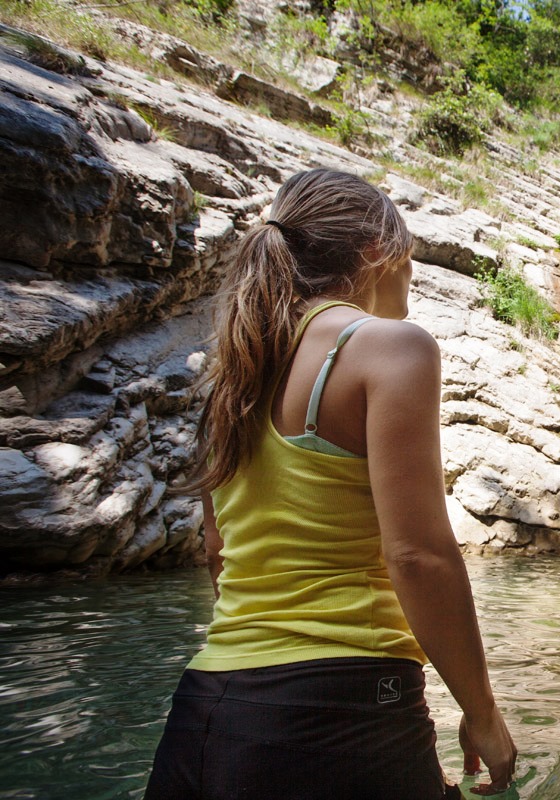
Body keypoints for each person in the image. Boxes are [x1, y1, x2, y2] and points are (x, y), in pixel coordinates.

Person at [145, 168, 516, 799]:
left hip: (206, 711)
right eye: (409, 257)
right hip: (343, 705)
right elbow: (417, 556)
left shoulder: (236, 372)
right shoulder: (388, 348)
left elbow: (218, 555)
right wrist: (482, 713)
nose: (412, 276)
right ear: (375, 251)